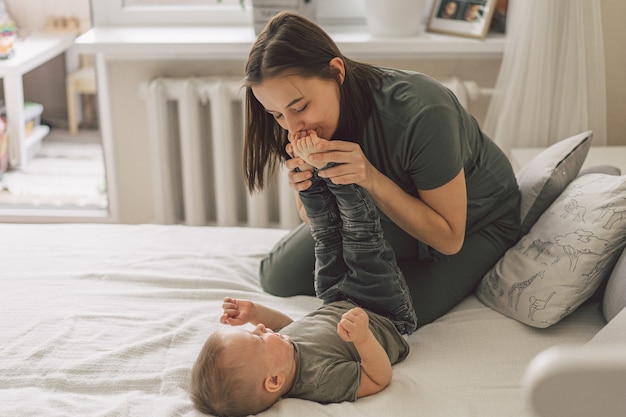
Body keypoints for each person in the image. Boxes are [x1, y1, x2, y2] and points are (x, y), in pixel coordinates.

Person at [244, 12, 521, 326]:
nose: (292, 126)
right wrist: (309, 188)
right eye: (276, 115)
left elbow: (448, 238)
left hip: (474, 223)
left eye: (300, 107)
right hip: (386, 217)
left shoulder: (423, 112)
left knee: (386, 312)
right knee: (276, 278)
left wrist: (369, 178)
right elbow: (314, 220)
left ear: (336, 72)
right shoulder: (297, 122)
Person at [190, 135, 417, 416]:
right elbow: (378, 378)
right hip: (382, 312)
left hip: (335, 297)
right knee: (362, 237)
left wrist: (254, 312)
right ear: (274, 380)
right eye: (258, 338)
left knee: (326, 235)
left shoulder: (283, 354)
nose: (261, 329)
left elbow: (286, 325)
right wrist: (362, 338)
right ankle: (338, 175)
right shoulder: (321, 381)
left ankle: (310, 177)